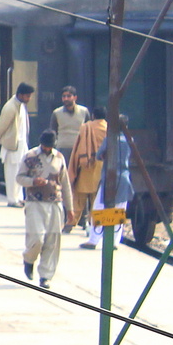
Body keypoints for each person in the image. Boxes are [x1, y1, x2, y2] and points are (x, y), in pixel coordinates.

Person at [18, 129, 69, 287]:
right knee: (37, 239)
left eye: (50, 147)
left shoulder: (59, 158)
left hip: (55, 203)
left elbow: (65, 183)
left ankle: (45, 276)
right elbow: (19, 178)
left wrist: (71, 208)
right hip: (35, 203)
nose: (47, 149)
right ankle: (29, 259)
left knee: (52, 240)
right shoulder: (30, 156)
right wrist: (33, 182)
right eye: (45, 146)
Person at [84, 115, 132, 250]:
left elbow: (99, 155)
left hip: (110, 178)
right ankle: (115, 242)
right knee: (119, 210)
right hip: (124, 177)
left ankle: (93, 240)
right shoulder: (129, 140)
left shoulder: (109, 139)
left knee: (99, 207)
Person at [49, 86, 87, 223]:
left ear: (75, 98)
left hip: (80, 152)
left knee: (81, 184)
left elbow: (87, 130)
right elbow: (52, 132)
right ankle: (66, 215)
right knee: (65, 183)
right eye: (64, 96)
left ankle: (83, 217)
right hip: (63, 151)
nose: (66, 99)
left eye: (69, 96)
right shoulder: (57, 113)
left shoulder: (84, 112)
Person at [0, 82, 34, 207]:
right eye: (27, 96)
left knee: (20, 171)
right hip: (12, 145)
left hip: (21, 144)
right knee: (12, 173)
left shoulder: (21, 105)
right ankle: (12, 199)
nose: (29, 99)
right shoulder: (10, 107)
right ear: (21, 95)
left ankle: (19, 197)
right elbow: (3, 125)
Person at [69, 107, 108, 233]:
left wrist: (74, 166)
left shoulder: (86, 127)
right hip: (102, 167)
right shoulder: (109, 129)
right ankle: (94, 227)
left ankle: (71, 223)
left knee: (79, 196)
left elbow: (78, 149)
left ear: (93, 116)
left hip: (87, 165)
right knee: (97, 200)